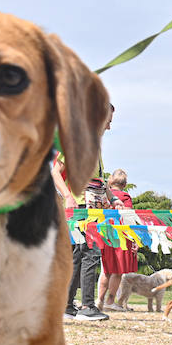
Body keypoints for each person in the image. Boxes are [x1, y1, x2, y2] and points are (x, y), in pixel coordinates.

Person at [54, 130, 111, 323]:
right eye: (108, 120)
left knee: (77, 255)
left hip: (94, 205)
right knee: (90, 253)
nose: (109, 126)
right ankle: (87, 306)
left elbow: (99, 181)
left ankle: (67, 306)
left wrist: (111, 200)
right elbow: (55, 172)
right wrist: (67, 196)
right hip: (81, 207)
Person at [96, 168, 138, 312]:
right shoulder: (125, 197)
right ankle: (110, 301)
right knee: (117, 272)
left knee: (106, 270)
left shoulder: (104, 195)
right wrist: (134, 240)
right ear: (125, 184)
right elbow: (129, 219)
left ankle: (99, 301)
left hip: (106, 235)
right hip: (121, 237)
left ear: (110, 181)